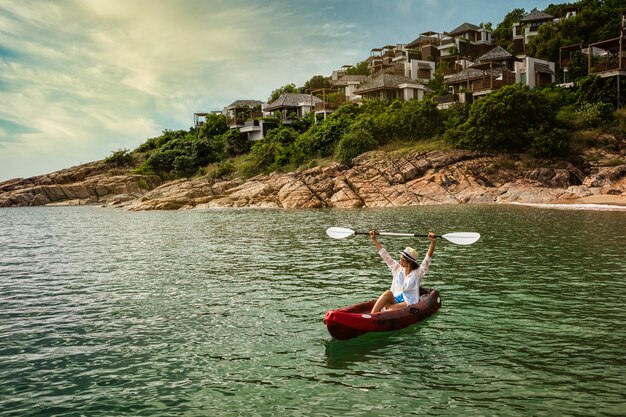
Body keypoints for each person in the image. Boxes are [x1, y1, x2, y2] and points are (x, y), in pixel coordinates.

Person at [369, 229, 437, 314]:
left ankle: (381, 314)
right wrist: (374, 239)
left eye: (402, 260)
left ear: (409, 262)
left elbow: (427, 259)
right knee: (387, 293)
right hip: (394, 299)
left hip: (408, 302)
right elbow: (385, 255)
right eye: (400, 258)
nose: (400, 261)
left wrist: (433, 243)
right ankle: (372, 315)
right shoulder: (397, 268)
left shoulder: (417, 273)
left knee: (390, 309)